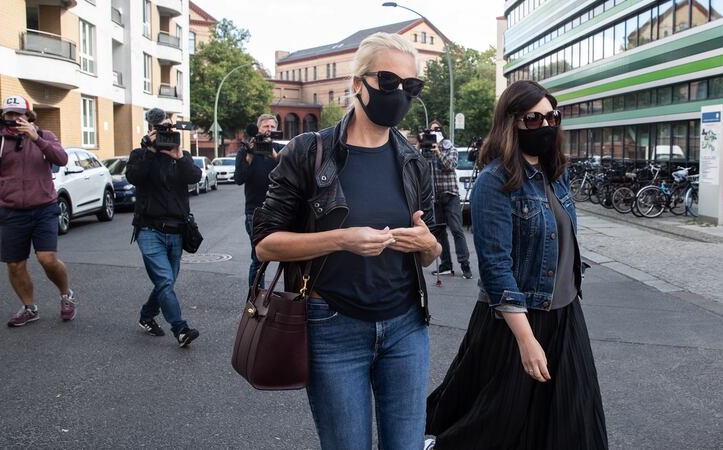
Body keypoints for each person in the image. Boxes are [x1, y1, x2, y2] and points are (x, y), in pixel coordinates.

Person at [254, 32, 440, 449]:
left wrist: (428, 245)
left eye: (411, 86)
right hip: (332, 326)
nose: (400, 94)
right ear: (358, 83)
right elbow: (266, 244)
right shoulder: (309, 152)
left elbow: (430, 253)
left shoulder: (414, 161)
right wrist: (340, 239)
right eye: (388, 81)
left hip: (407, 326)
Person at [425, 81, 607, 449]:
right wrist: (526, 340)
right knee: (495, 427)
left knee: (574, 426)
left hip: (565, 317)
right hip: (515, 323)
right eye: (533, 119)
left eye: (552, 117)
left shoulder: (557, 174)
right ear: (511, 123)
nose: (546, 125)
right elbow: (495, 267)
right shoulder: (494, 181)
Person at [0, 96, 75, 327]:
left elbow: (61, 159)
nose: (14, 118)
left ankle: (66, 295)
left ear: (29, 116)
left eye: (19, 114)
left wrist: (36, 138)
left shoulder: (45, 135)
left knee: (47, 259)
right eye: (9, 114)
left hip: (44, 208)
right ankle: (30, 308)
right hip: (11, 210)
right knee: (15, 265)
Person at [126, 108, 202, 347]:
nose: (165, 133)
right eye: (160, 129)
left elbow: (195, 177)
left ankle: (147, 315)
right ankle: (180, 329)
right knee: (165, 281)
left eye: (168, 128)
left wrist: (179, 156)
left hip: (177, 231)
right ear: (150, 131)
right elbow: (134, 177)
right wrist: (150, 152)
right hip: (149, 230)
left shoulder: (181, 156)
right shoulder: (140, 155)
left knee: (165, 282)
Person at [234, 114, 284, 288]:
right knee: (258, 258)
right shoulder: (245, 151)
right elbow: (239, 179)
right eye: (265, 127)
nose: (268, 130)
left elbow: (289, 174)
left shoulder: (280, 149)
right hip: (255, 212)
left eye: (272, 127)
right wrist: (249, 155)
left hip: (279, 210)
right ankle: (255, 297)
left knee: (286, 255)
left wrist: (274, 155)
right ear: (258, 129)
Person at [424, 120, 471, 279]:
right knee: (439, 232)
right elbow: (420, 166)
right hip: (435, 196)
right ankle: (446, 265)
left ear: (442, 132)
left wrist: (438, 151)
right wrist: (419, 145)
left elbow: (450, 165)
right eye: (431, 130)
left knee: (457, 230)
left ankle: (465, 265)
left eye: (437, 129)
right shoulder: (427, 149)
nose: (434, 132)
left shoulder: (450, 147)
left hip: (450, 195)